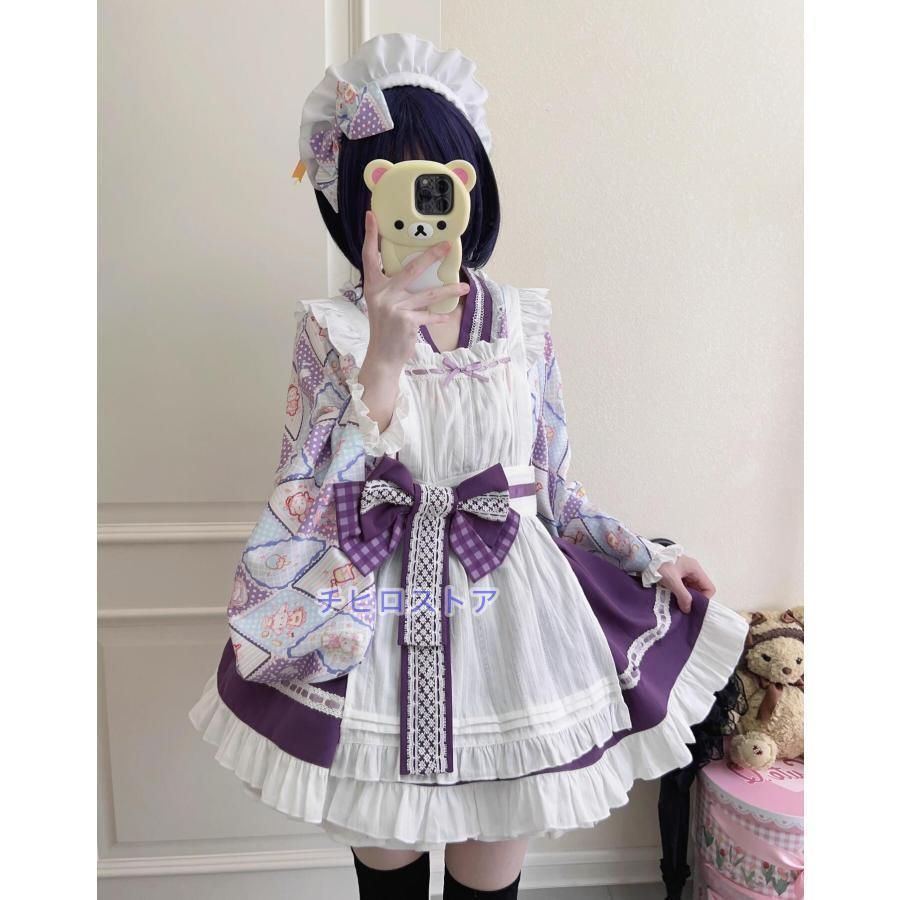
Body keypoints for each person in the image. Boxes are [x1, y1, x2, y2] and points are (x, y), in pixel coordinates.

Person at [188, 32, 750, 899]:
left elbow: (555, 490)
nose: (422, 206)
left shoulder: (523, 323)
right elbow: (309, 498)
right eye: (393, 181)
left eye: (440, 178)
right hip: (373, 630)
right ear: (360, 196)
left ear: (468, 182)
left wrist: (648, 557)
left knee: (490, 885)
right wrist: (382, 353)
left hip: (513, 632)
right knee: (388, 882)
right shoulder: (329, 331)